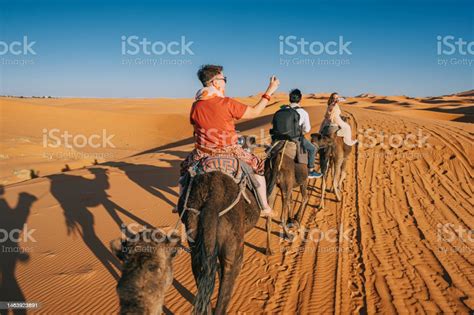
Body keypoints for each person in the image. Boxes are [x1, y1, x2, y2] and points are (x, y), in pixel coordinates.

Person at [176, 64, 280, 217]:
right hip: (230, 151)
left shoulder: (196, 105)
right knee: (258, 167)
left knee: (184, 172)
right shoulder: (226, 103)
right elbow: (255, 112)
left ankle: (181, 205)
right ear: (215, 82)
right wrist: (270, 91)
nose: (225, 82)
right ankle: (264, 207)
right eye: (224, 79)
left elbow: (196, 125)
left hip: (203, 153)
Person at [288, 89, 322, 179]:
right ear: (300, 99)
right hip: (295, 138)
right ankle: (310, 171)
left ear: (289, 99)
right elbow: (307, 129)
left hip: (279, 138)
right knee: (312, 149)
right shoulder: (302, 112)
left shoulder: (283, 109)